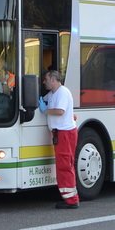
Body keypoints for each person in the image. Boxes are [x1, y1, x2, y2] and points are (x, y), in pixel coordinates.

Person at [40, 70, 79, 209]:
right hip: (60, 133)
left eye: (46, 79)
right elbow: (44, 99)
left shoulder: (62, 92)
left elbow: (60, 111)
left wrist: (45, 110)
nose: (44, 82)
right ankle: (67, 195)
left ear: (53, 79)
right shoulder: (52, 94)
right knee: (63, 165)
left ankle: (71, 200)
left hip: (65, 133)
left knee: (65, 166)